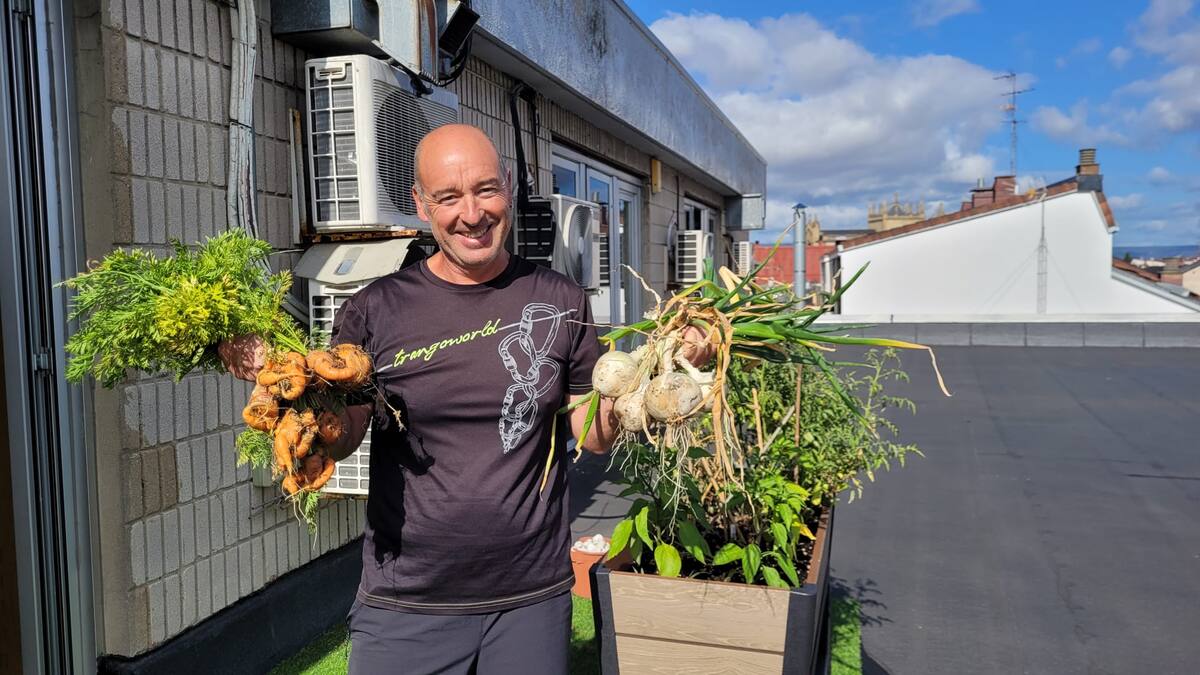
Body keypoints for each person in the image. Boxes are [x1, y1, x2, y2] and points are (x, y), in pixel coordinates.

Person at [220, 124, 709, 674]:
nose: (472, 214)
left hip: (530, 594)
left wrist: (655, 379)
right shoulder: (377, 309)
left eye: (485, 189)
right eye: (449, 197)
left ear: (507, 187)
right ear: (421, 206)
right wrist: (289, 393)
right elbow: (348, 431)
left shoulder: (560, 299)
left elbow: (590, 435)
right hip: (406, 597)